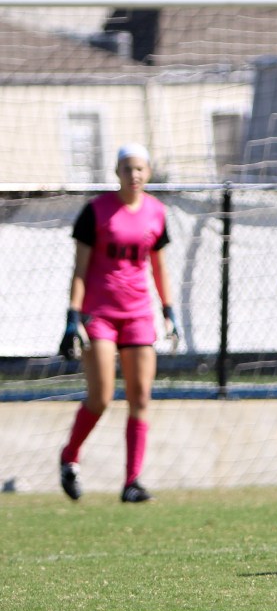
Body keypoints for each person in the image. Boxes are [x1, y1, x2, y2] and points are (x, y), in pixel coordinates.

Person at [58, 143, 179, 503]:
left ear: (149, 173)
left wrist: (169, 309)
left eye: (140, 168)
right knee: (102, 396)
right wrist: (72, 317)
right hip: (100, 315)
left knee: (141, 396)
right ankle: (69, 457)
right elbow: (79, 270)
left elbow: (158, 267)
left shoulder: (157, 213)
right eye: (128, 168)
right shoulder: (95, 212)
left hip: (139, 314)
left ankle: (132, 482)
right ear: (117, 173)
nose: (134, 175)